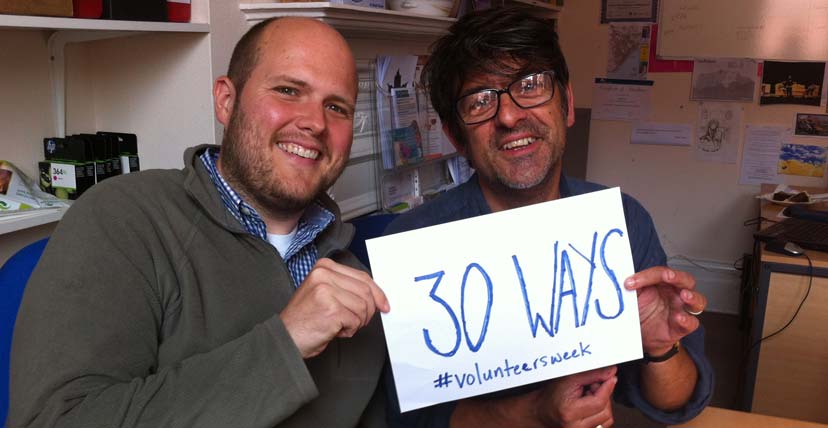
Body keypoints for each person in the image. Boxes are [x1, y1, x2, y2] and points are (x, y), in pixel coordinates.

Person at [9, 17, 390, 428]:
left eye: (337, 107)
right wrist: (285, 343)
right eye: (288, 90)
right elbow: (56, 419)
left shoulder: (355, 276)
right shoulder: (125, 219)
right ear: (226, 100)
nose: (315, 122)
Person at [383, 7, 713, 428]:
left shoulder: (622, 222)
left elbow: (675, 402)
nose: (508, 116)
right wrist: (536, 413)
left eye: (531, 84)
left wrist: (661, 346)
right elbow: (411, 419)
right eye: (480, 100)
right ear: (455, 137)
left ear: (568, 105)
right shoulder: (415, 244)